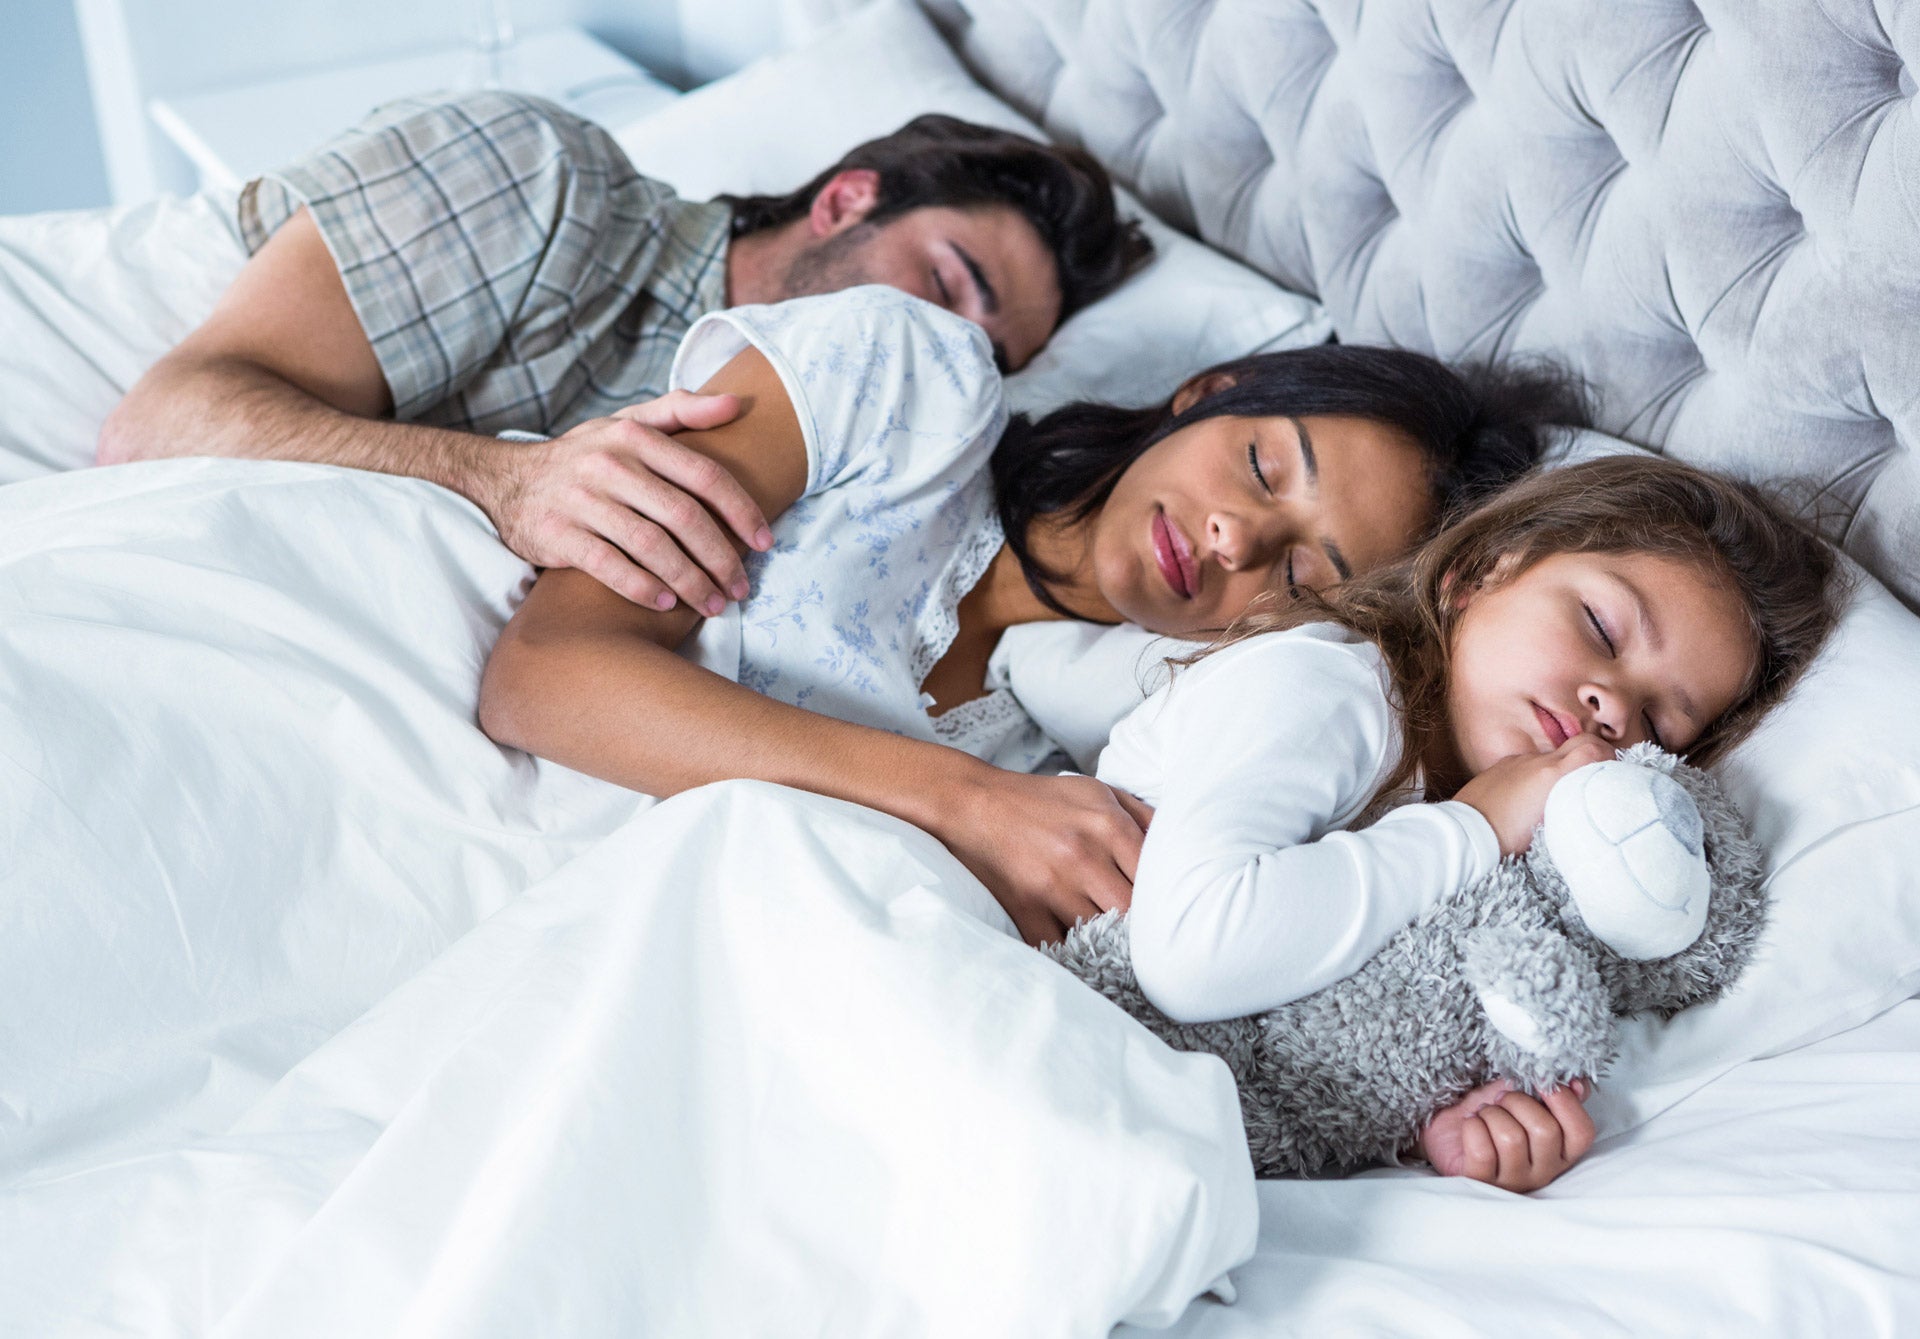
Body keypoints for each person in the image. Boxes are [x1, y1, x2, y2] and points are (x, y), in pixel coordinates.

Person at [477, 284, 1585, 944]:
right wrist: (968, 802)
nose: (1235, 539)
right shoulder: (906, 384)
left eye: (1298, 575)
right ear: (1209, 391)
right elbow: (546, 672)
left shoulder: (1095, 755)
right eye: (1258, 462)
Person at [93, 91, 1151, 617]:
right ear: (844, 202)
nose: (940, 350)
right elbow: (158, 426)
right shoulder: (541, 178)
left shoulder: (829, 462)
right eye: (944, 286)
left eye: (984, 353)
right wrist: (505, 482)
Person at [1095, 454, 1843, 1190]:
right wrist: (1474, 823)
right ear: (1480, 570)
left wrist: (1423, 1113)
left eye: (1653, 720)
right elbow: (1194, 955)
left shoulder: (1492, 841)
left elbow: (1304, 1003)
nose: (1611, 704)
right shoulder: (1333, 688)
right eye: (1602, 630)